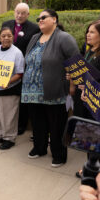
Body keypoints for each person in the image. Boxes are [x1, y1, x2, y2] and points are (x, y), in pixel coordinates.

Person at [22, 9, 79, 167]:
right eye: (38, 18)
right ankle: (39, 148)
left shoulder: (64, 38)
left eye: (44, 17)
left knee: (56, 124)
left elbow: (75, 62)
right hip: (31, 91)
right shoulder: (35, 37)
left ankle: (59, 154)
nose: (40, 20)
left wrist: (72, 84)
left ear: (54, 19)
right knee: (37, 122)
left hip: (54, 90)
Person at [72, 20, 100, 178]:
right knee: (88, 136)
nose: (87, 35)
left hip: (97, 103)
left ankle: (99, 170)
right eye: (87, 31)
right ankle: (91, 166)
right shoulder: (90, 50)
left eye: (92, 32)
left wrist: (91, 86)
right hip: (83, 99)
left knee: (97, 136)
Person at [2, 2, 40, 135]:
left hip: (24, 67)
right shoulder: (6, 25)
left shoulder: (34, 28)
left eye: (23, 13)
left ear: (28, 14)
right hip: (7, 66)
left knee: (22, 97)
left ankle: (21, 125)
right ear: (14, 12)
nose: (20, 15)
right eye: (18, 12)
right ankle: (6, 124)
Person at [0, 27, 24, 150]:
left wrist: (8, 81)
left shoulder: (17, 52)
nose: (6, 38)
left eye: (9, 35)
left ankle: (9, 138)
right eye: (3, 36)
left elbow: (20, 73)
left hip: (9, 89)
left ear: (13, 37)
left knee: (8, 116)